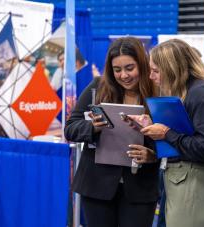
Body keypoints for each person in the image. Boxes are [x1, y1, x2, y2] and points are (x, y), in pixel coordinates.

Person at [64, 37, 160, 227]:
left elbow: (171, 137)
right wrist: (93, 127)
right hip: (97, 186)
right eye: (117, 70)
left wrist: (153, 155)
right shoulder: (97, 88)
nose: (124, 75)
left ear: (142, 64)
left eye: (130, 68)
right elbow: (70, 128)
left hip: (140, 189)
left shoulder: (158, 93)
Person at [136, 39, 204, 227]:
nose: (151, 76)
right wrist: (153, 127)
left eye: (156, 71)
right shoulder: (192, 92)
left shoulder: (201, 94)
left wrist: (166, 133)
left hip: (195, 184)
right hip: (187, 181)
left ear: (172, 69)